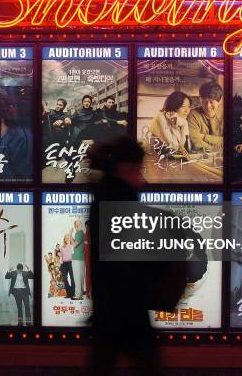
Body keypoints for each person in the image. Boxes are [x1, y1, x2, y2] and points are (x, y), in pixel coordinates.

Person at [88, 136, 187, 376]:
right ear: (127, 167)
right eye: (139, 169)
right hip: (127, 307)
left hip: (110, 308)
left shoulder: (105, 195)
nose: (142, 178)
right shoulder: (120, 200)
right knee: (147, 364)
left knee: (103, 363)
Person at [187, 81, 223, 151]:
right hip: (200, 158)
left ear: (220, 101)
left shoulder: (225, 115)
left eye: (211, 101)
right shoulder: (193, 114)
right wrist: (217, 146)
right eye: (204, 101)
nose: (208, 106)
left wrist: (204, 137)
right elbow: (195, 143)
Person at [71, 220, 86, 300]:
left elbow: (75, 244)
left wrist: (70, 235)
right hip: (81, 257)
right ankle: (81, 293)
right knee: (81, 276)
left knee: (77, 277)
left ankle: (78, 295)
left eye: (76, 225)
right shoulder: (82, 234)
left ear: (76, 226)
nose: (75, 227)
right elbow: (78, 243)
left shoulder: (78, 233)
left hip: (76, 258)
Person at [59, 233, 75, 298]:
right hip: (63, 264)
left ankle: (73, 293)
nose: (67, 239)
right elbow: (61, 256)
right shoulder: (62, 247)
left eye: (68, 238)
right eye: (66, 238)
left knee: (72, 278)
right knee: (65, 278)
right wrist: (60, 260)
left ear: (70, 239)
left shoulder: (72, 246)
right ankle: (69, 293)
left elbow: (74, 255)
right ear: (64, 239)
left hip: (70, 263)